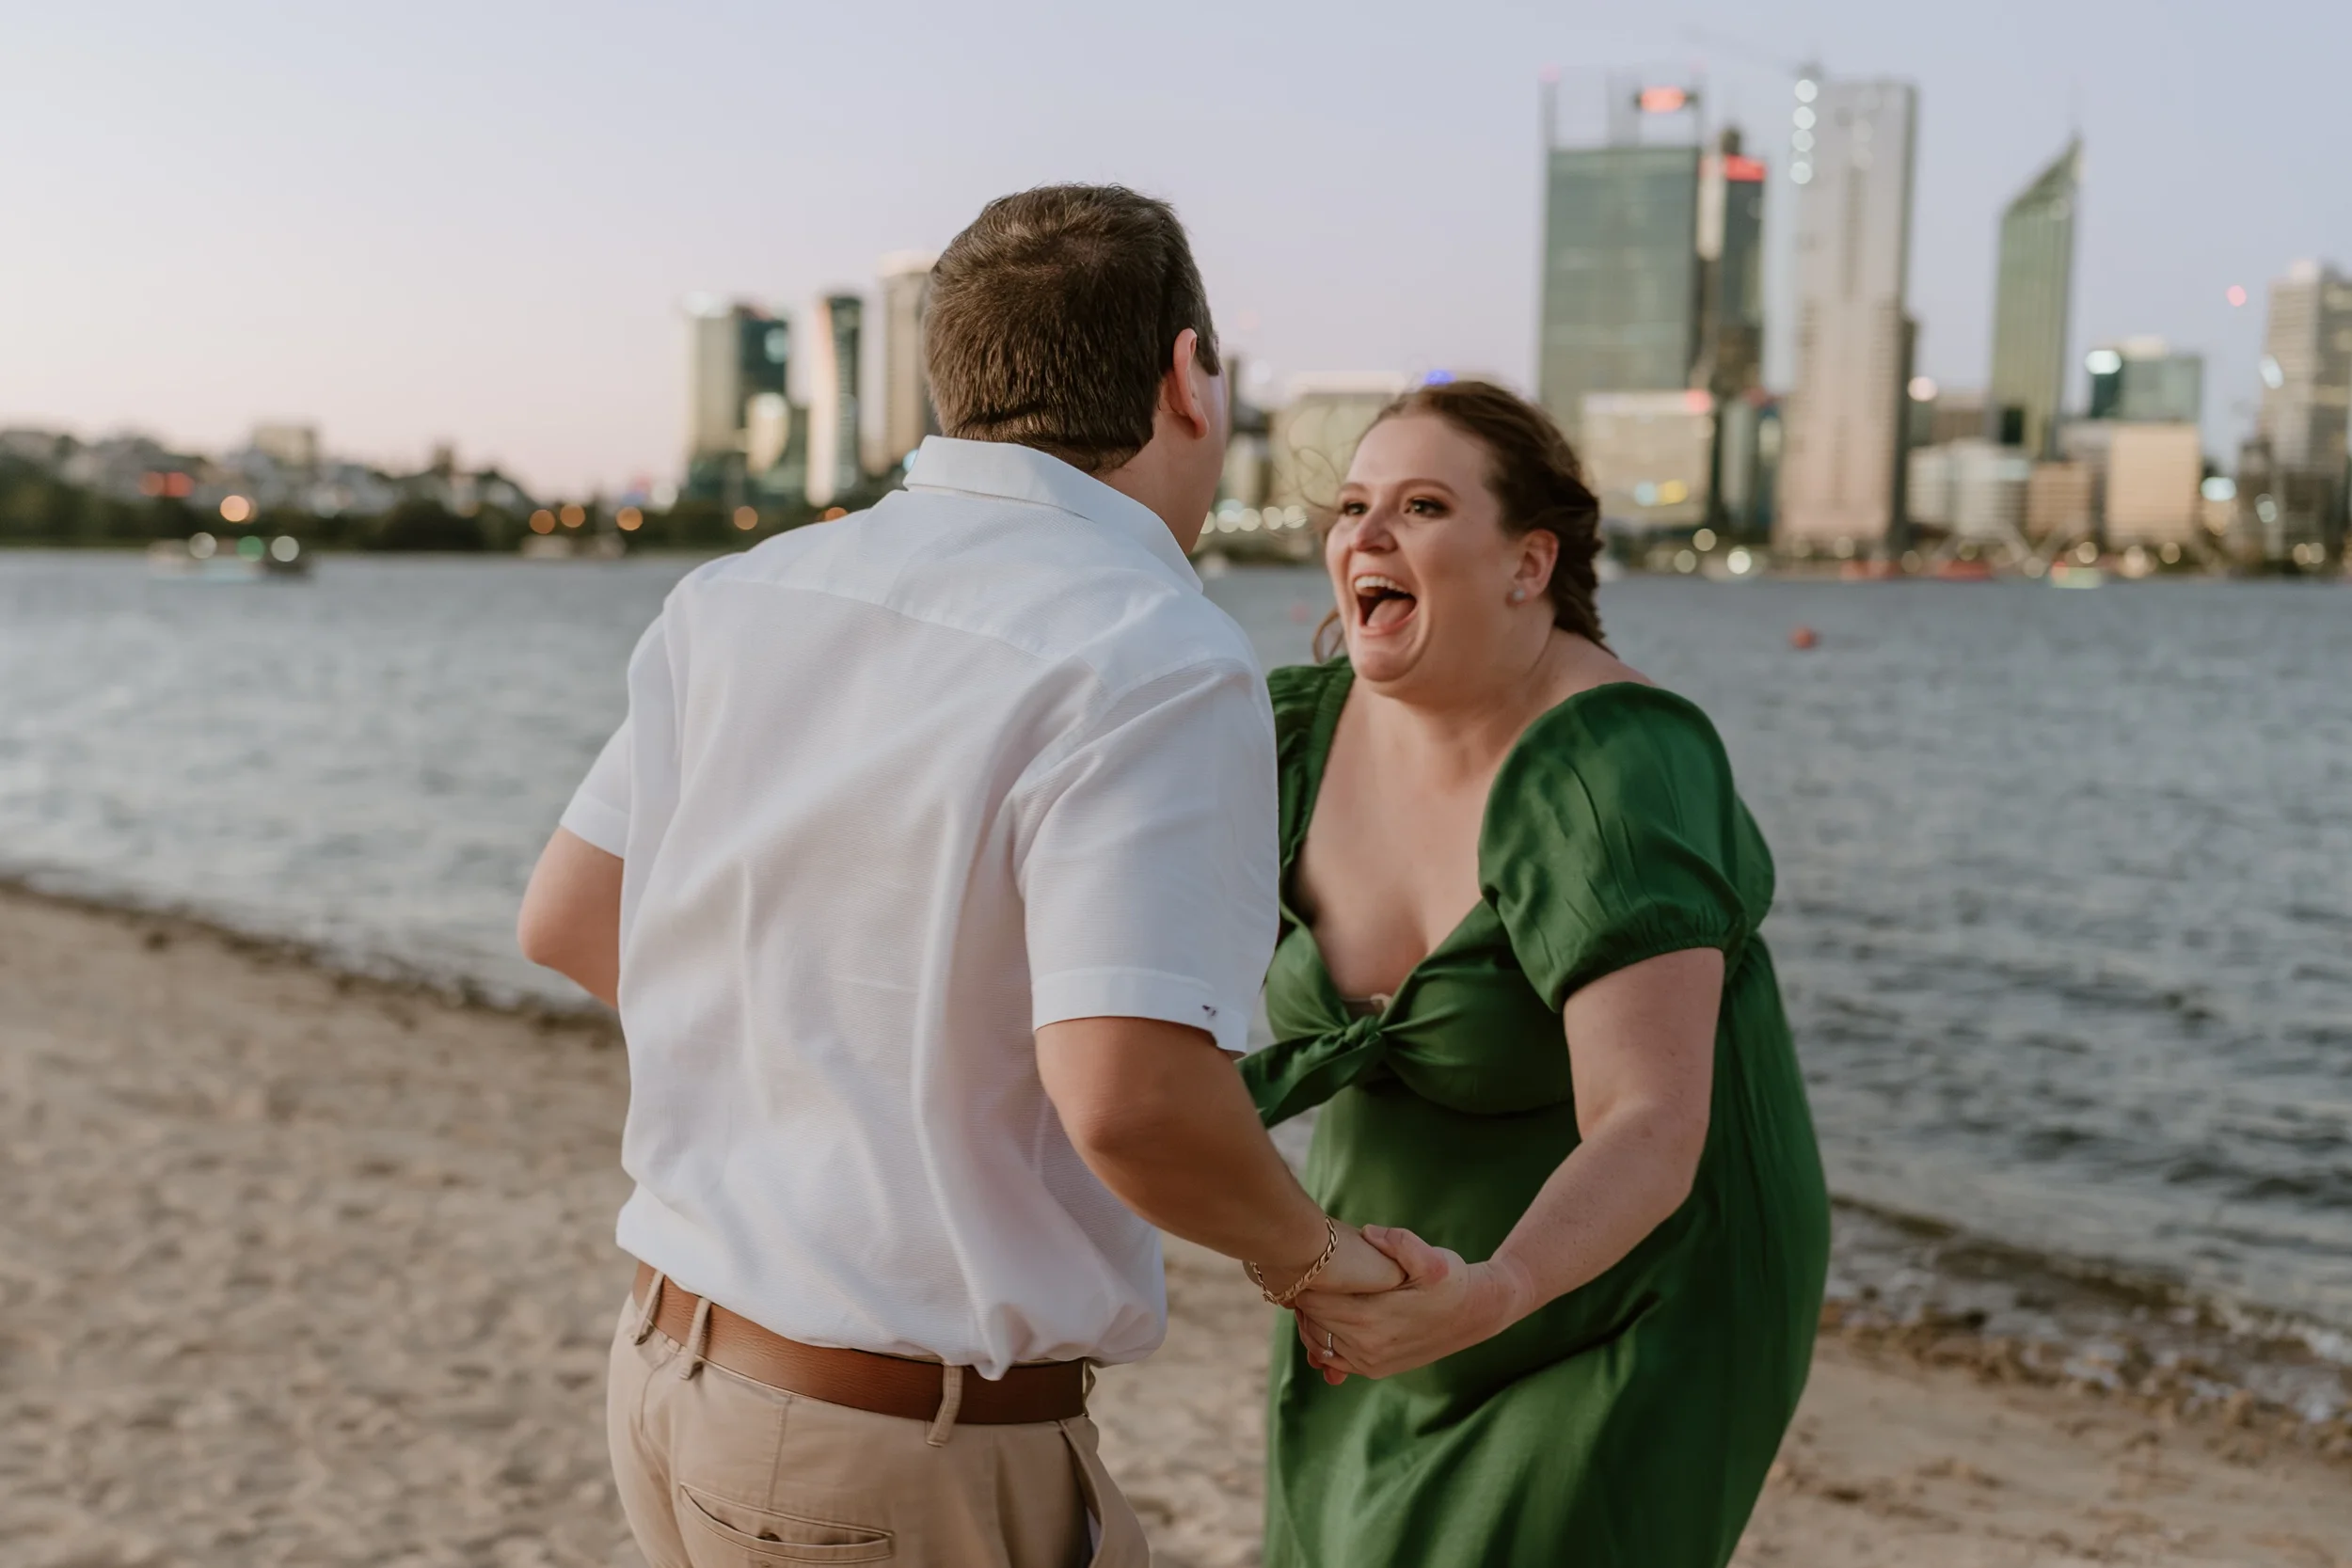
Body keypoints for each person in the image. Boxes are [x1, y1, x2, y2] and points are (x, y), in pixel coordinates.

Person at [516, 183, 1396, 1568]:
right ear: (1187, 379)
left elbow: (569, 917)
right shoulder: (1152, 643)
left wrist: (849, 1054)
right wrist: (1315, 1259)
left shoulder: (743, 593)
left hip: (668, 1379)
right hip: (890, 1447)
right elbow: (1131, 1092)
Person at [1241, 379, 1831, 1567]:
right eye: (1353, 504)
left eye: (1419, 503)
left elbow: (1652, 1120)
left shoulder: (1618, 764)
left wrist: (1496, 1287)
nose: (1365, 532)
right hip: (1380, 1280)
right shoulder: (1290, 740)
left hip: (1622, 1282)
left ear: (1527, 564)